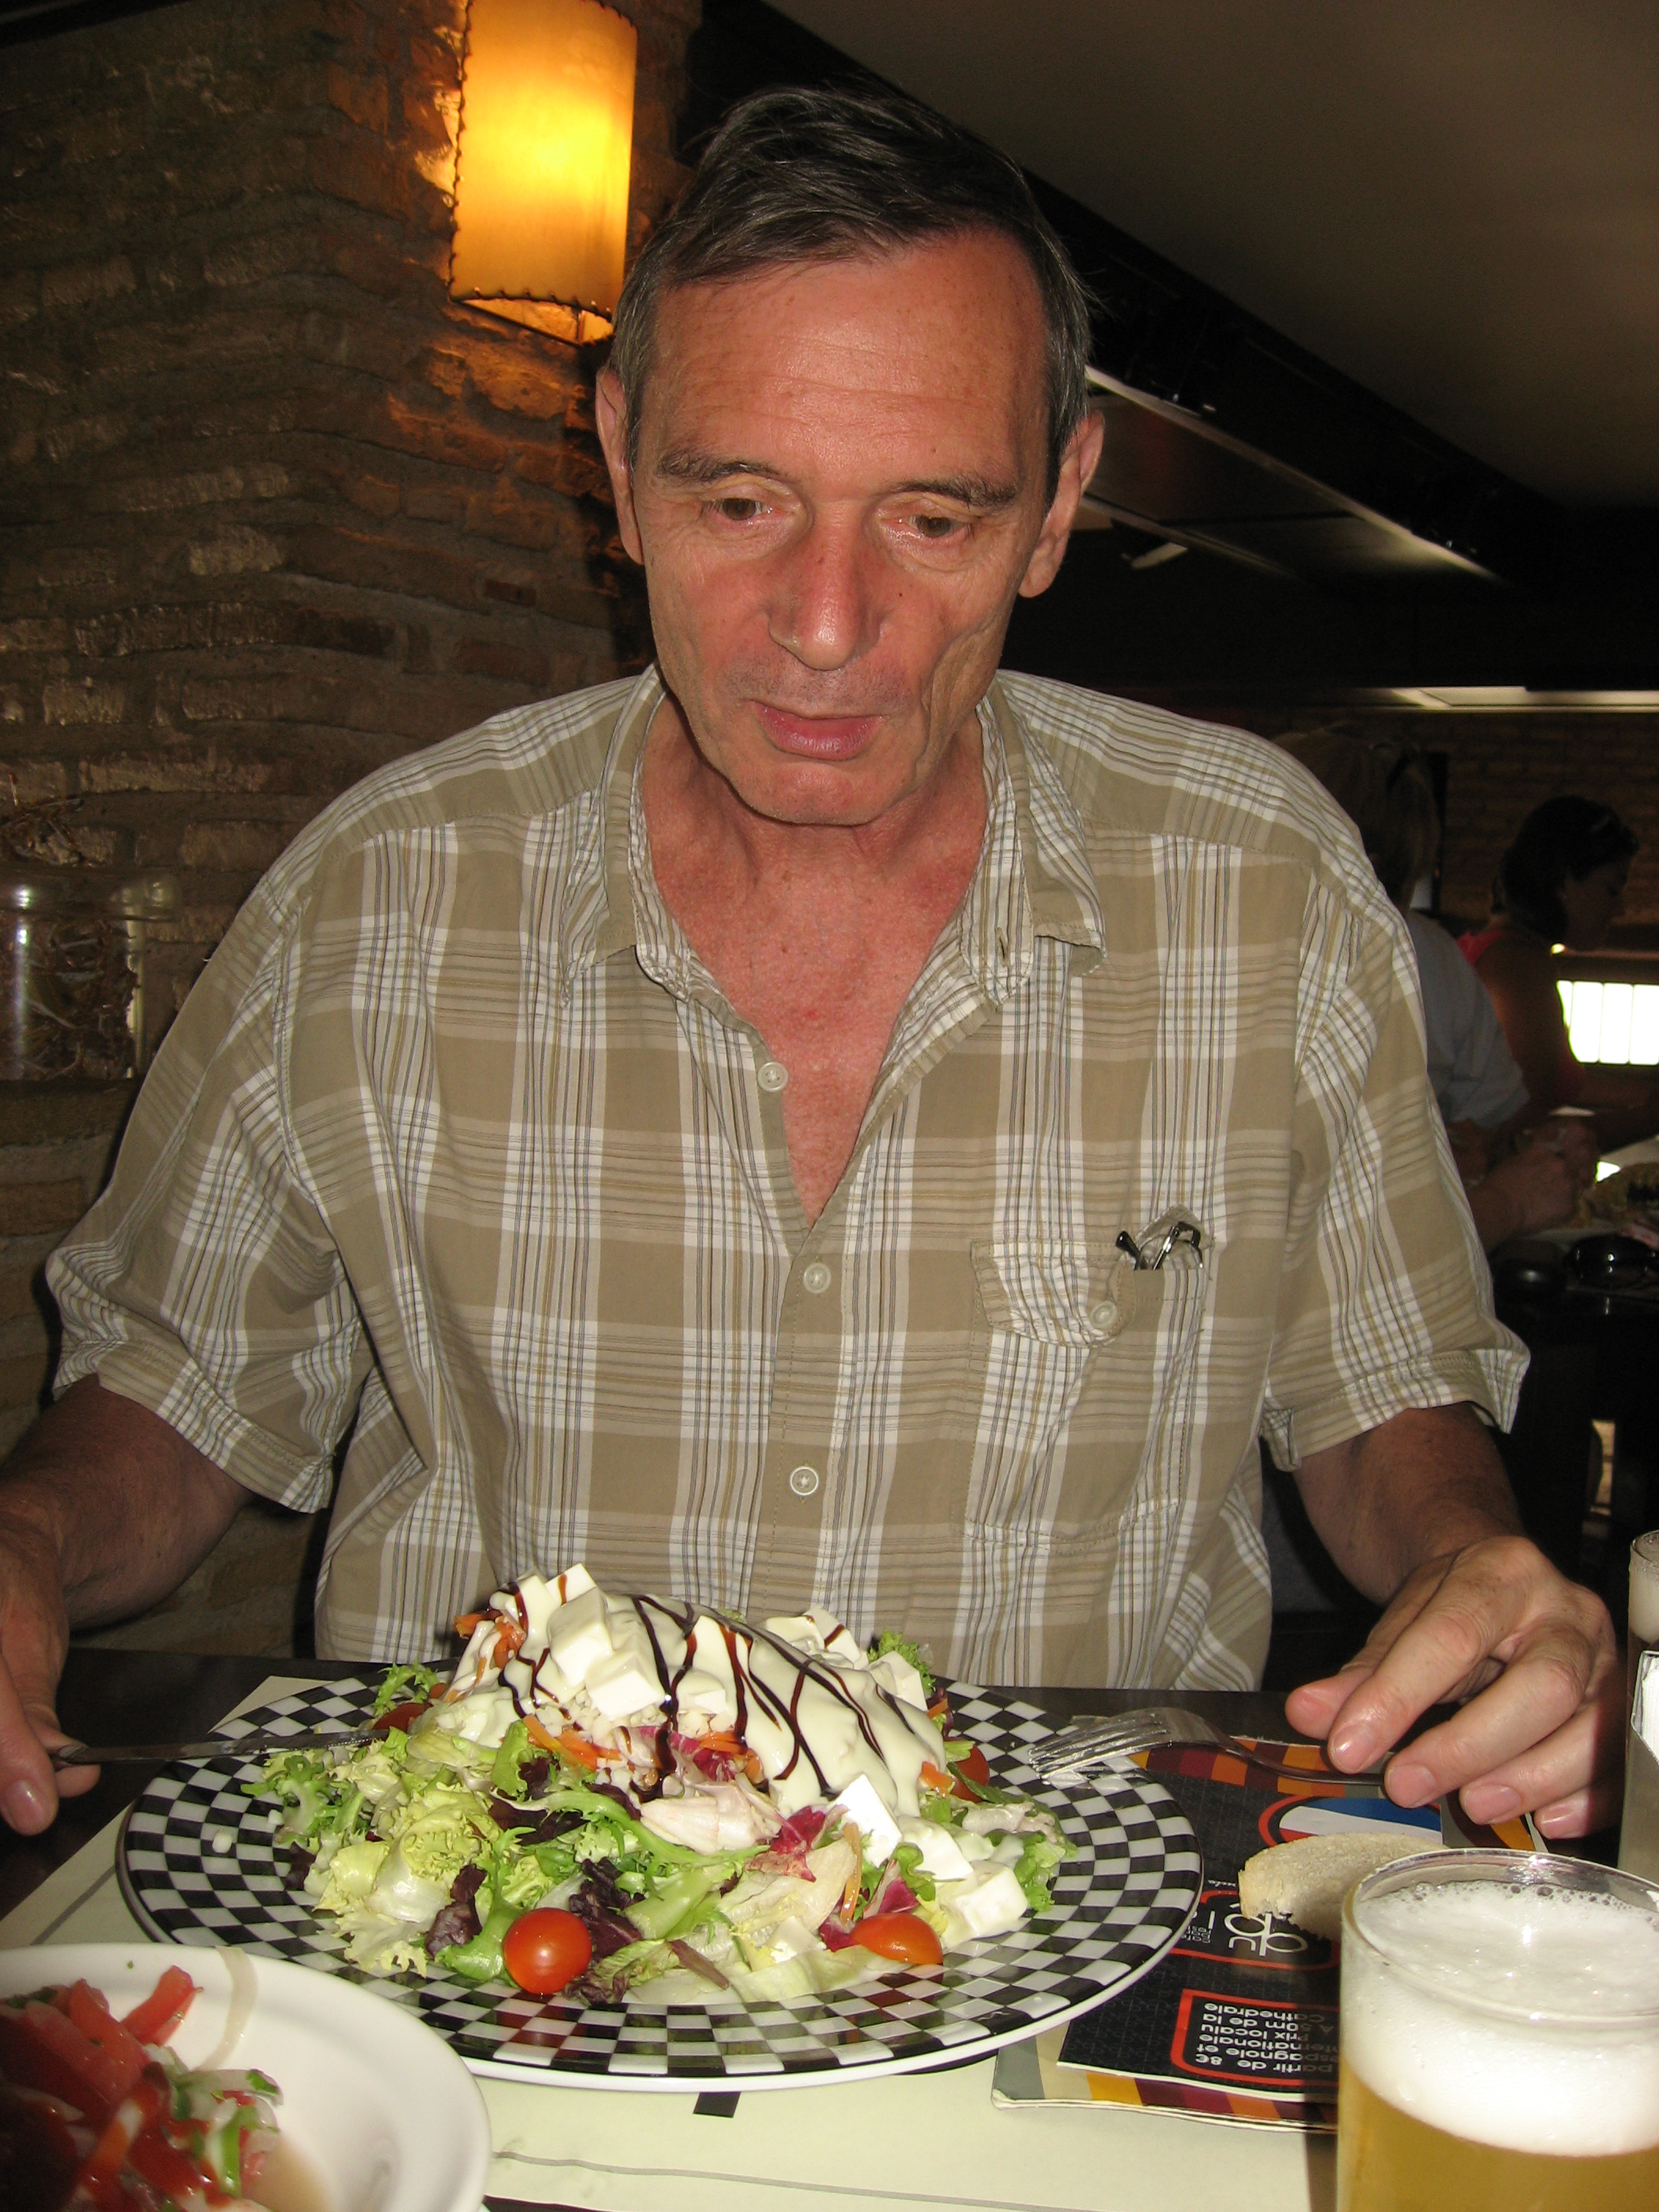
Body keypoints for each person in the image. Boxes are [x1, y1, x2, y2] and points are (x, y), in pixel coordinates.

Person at [0, 89, 1618, 1846]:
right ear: (619, 459)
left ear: (1058, 503)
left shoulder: (1264, 881)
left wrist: (1472, 1560)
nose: (827, 626)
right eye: (741, 499)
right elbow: (179, 1382)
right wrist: (22, 1546)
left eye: (932, 519)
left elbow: (1378, 1385)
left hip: (1052, 1919)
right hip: (485, 1919)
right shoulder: (379, 889)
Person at [1281, 733, 1593, 1248]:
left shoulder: (1433, 958)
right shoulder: (1242, 965)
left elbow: (1491, 1124)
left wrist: (1517, 1152)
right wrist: (1503, 1198)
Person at [1463, 797, 1659, 1150]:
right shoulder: (1516, 966)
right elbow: (1522, 1136)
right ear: (1564, 882)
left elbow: (1559, 1079)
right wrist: (1646, 1120)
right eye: (1612, 890)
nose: (1620, 909)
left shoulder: (1507, 952)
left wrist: (1647, 1096)